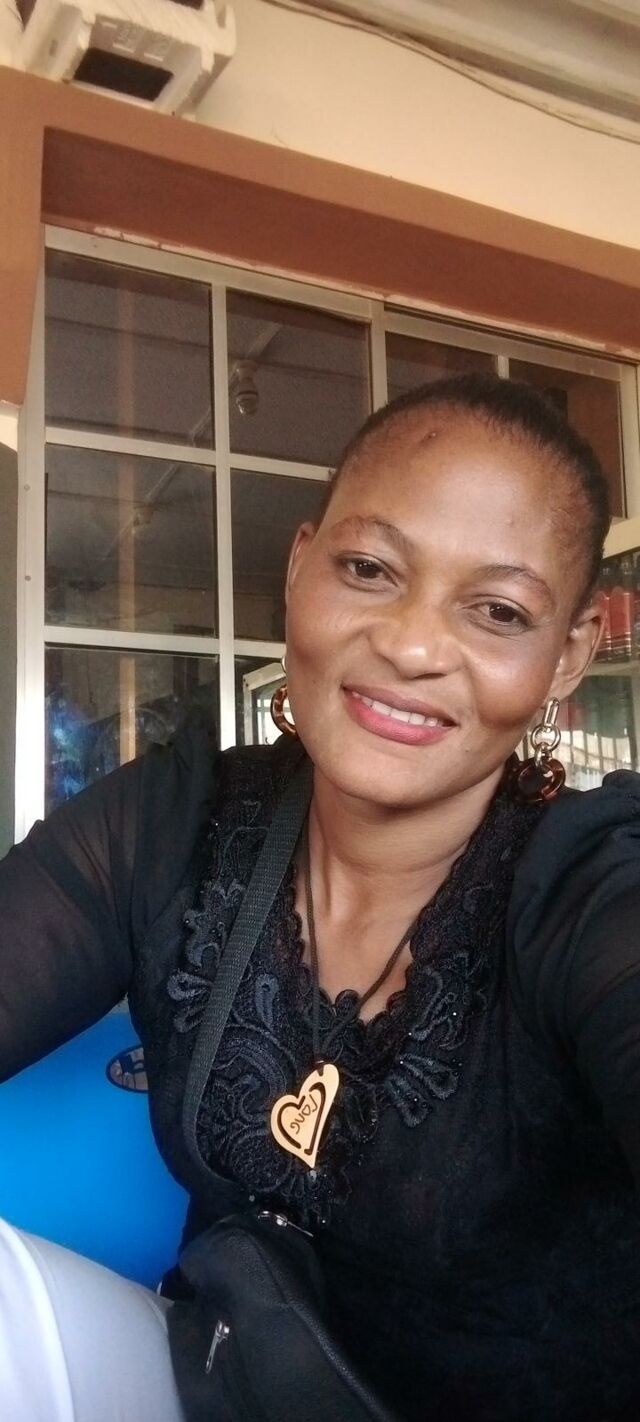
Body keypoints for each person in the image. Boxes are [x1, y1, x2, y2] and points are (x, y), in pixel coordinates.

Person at [0, 372, 639, 1422]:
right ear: (301, 567)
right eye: (369, 568)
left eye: (497, 610)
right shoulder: (171, 824)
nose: (412, 645)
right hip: (217, 1375)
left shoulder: (587, 886)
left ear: (566, 654)